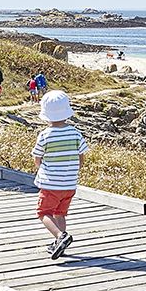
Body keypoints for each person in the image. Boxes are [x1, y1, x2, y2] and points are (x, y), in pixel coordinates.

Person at [33, 89, 88, 259]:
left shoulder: (45, 135)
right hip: (69, 185)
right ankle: (60, 244)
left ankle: (60, 236)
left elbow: (37, 157)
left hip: (50, 185)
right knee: (60, 213)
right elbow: (82, 156)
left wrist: (41, 168)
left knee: (43, 213)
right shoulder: (75, 133)